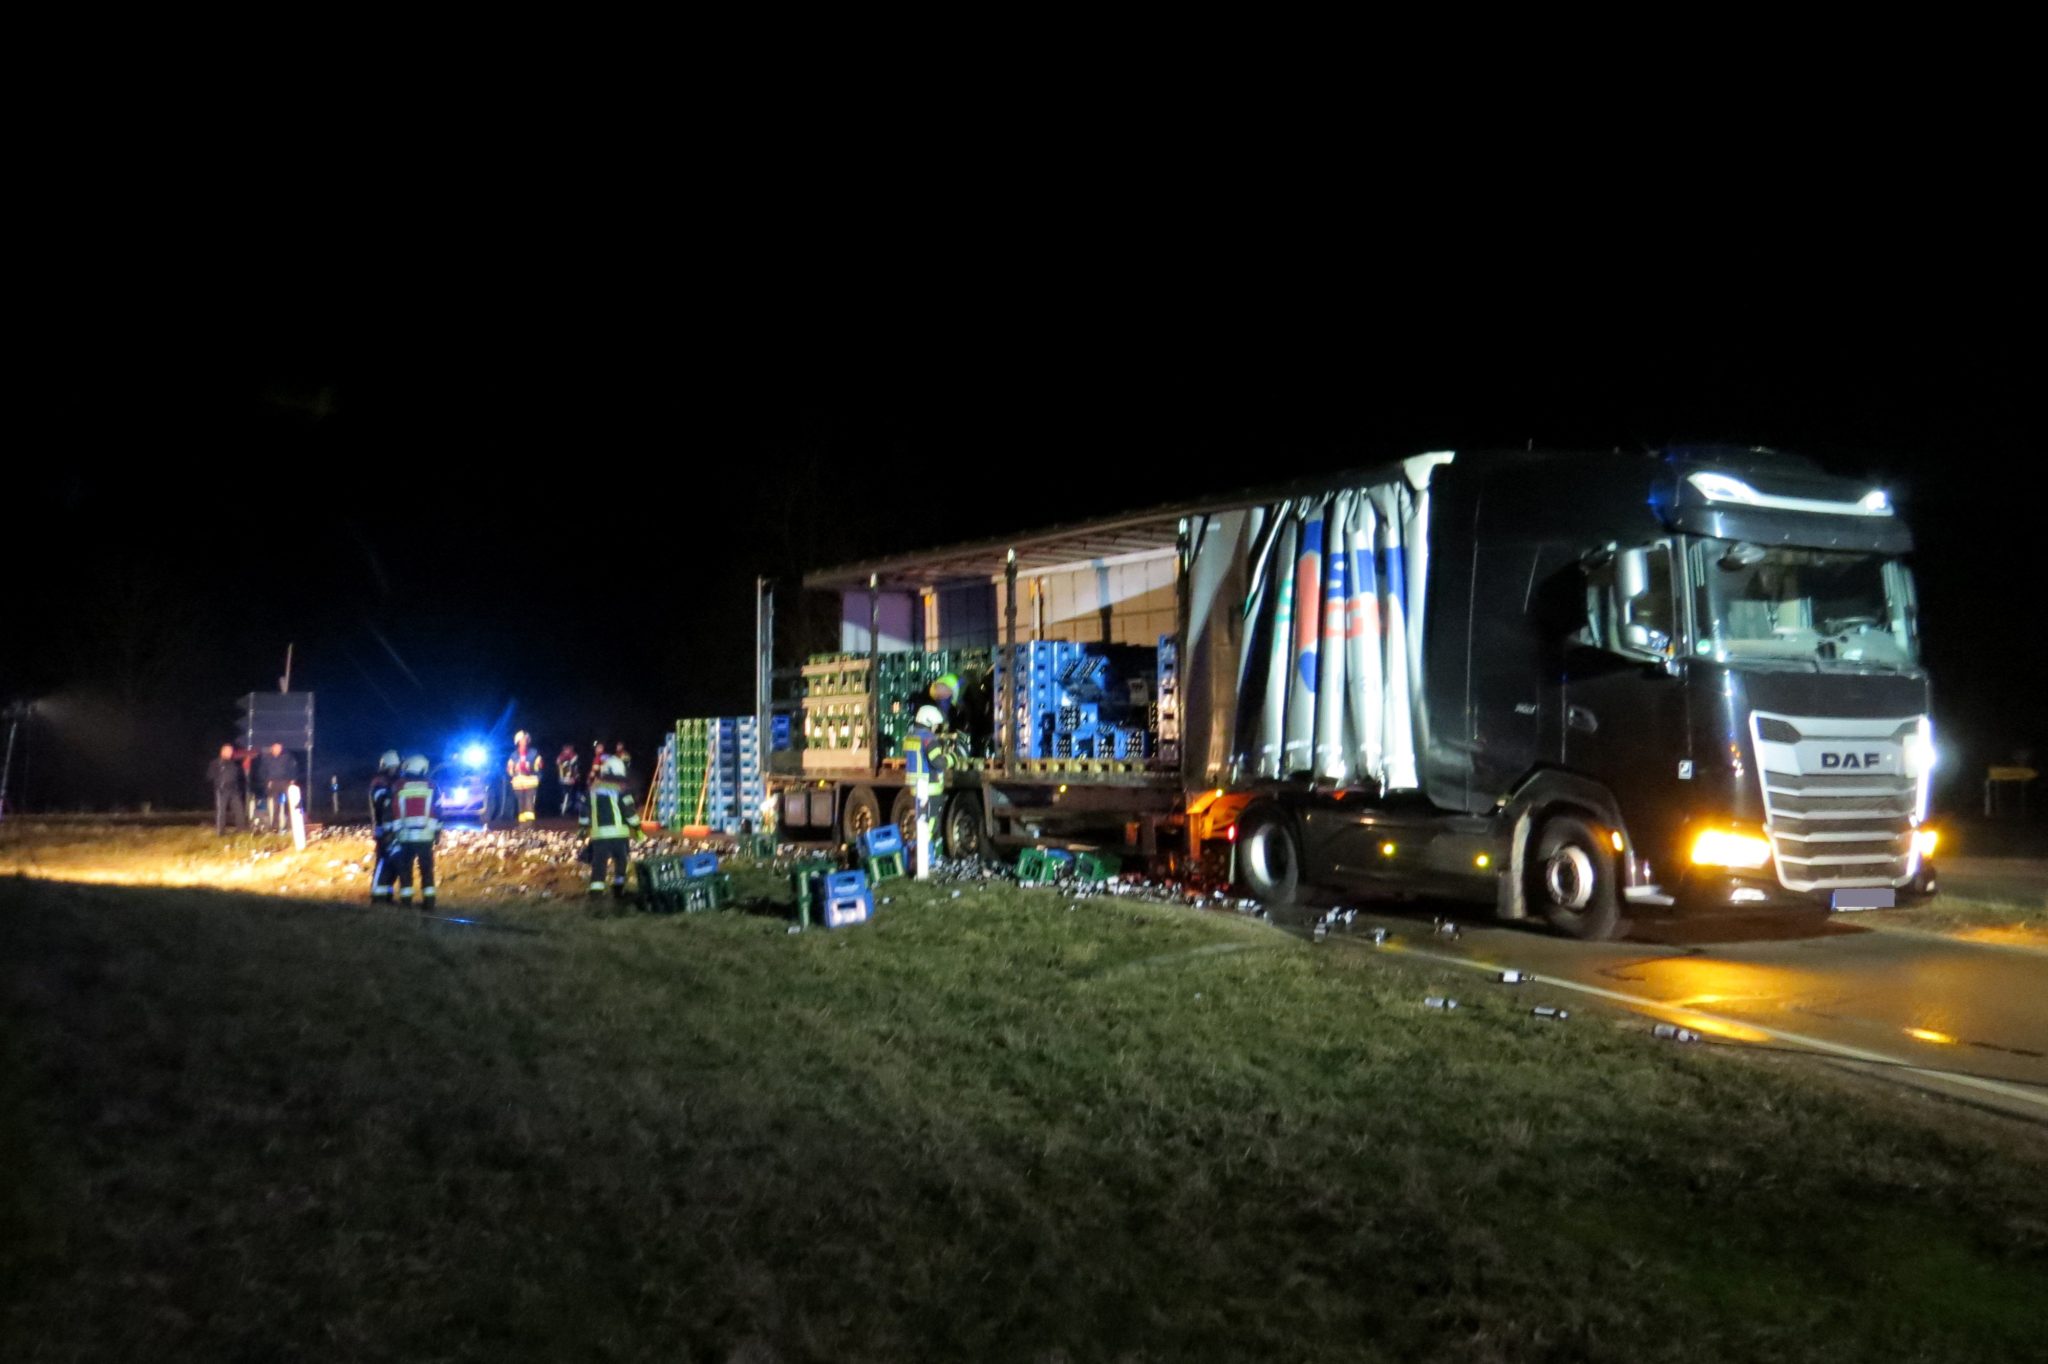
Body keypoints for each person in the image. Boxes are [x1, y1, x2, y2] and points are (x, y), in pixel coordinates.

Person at [383, 755, 441, 909]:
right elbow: (438, 811)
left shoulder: (398, 785)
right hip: (426, 837)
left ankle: (406, 902)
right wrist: (437, 832)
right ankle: (429, 903)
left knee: (405, 870)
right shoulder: (432, 785)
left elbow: (390, 810)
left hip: (404, 837)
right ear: (422, 768)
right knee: (427, 870)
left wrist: (389, 833)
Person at [579, 754, 639, 900]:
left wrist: (583, 829)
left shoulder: (592, 790)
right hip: (619, 835)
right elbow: (629, 813)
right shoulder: (622, 790)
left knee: (599, 865)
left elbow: (584, 812)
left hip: (599, 836)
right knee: (621, 862)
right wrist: (637, 828)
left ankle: (596, 893)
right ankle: (618, 890)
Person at [368, 750, 401, 903]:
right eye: (394, 767)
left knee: (392, 863)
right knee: (382, 861)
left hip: (392, 828)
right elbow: (381, 801)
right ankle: (376, 895)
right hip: (382, 828)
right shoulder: (379, 783)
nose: (396, 770)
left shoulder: (390, 782)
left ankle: (387, 893)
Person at [257, 743, 298, 833]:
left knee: (290, 804)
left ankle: (290, 825)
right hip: (273, 783)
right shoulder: (267, 758)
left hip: (285, 782)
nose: (277, 750)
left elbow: (292, 768)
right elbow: (262, 771)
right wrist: (267, 781)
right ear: (272, 748)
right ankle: (275, 827)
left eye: (279, 748)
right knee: (276, 806)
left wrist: (292, 779)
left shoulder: (287, 757)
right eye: (276, 748)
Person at [506, 730, 544, 823]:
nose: (525, 741)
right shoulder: (514, 755)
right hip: (518, 784)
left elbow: (539, 767)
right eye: (523, 739)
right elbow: (509, 769)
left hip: (530, 782)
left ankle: (529, 825)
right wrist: (514, 770)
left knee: (529, 804)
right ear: (518, 741)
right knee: (521, 805)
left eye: (526, 739)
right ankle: (522, 824)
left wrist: (530, 768)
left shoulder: (534, 753)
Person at [208, 744, 246, 836]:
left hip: (234, 789)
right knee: (221, 811)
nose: (230, 753)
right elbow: (209, 776)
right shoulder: (216, 763)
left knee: (239, 809)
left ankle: (241, 830)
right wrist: (218, 781)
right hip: (222, 789)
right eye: (228, 751)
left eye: (231, 751)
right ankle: (221, 832)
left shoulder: (233, 763)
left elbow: (238, 776)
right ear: (223, 751)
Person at [555, 744, 581, 816]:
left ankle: (569, 810)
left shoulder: (574, 757)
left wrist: (575, 777)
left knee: (571, 795)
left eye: (568, 749)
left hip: (571, 780)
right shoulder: (560, 757)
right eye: (565, 749)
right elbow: (559, 766)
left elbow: (576, 769)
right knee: (563, 795)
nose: (567, 751)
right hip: (562, 780)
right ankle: (563, 810)